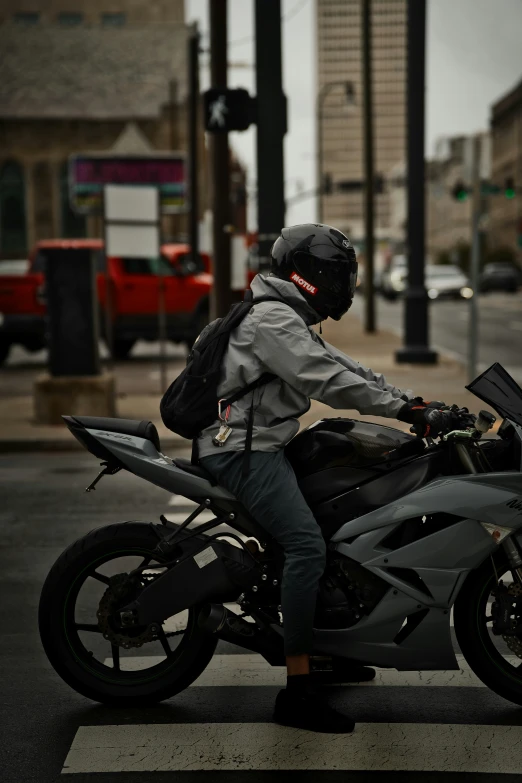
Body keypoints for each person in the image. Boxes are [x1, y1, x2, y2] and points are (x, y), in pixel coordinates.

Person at [198, 224, 444, 734]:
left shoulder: (288, 316)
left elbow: (346, 367)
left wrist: (418, 405)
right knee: (307, 547)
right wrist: (405, 410)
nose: (344, 284)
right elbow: (326, 380)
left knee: (340, 519)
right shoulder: (272, 321)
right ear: (308, 275)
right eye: (337, 274)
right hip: (245, 451)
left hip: (264, 442)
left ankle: (329, 649)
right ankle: (298, 691)